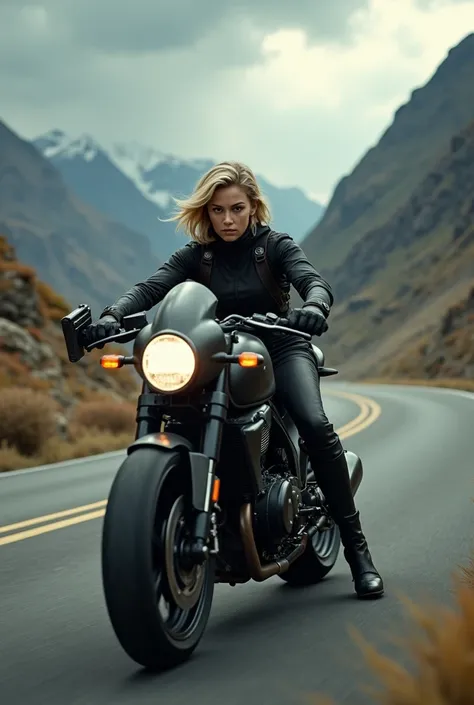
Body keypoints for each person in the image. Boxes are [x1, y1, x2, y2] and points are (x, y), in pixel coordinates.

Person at [84, 161, 384, 599]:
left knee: (315, 425)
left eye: (237, 209)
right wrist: (112, 316)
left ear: (253, 208)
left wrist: (315, 307)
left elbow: (312, 281)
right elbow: (150, 288)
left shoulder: (274, 247)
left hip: (279, 346)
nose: (227, 219)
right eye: (218, 210)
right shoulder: (195, 256)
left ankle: (359, 554)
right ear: (205, 212)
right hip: (219, 353)